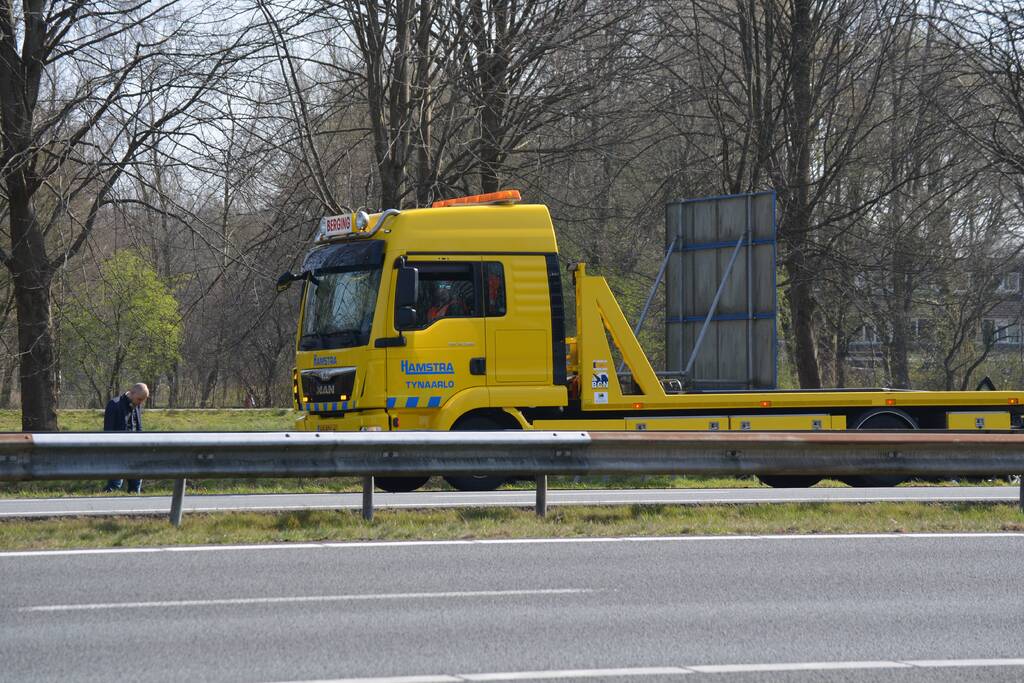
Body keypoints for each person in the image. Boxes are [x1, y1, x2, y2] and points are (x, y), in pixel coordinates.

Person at [102, 383, 149, 494]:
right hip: (118, 453)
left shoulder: (136, 405)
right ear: (132, 393)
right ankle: (105, 503)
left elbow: (139, 428)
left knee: (135, 486)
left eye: (143, 400)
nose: (140, 402)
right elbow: (108, 431)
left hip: (135, 452)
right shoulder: (114, 404)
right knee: (115, 485)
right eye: (139, 399)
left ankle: (133, 505)